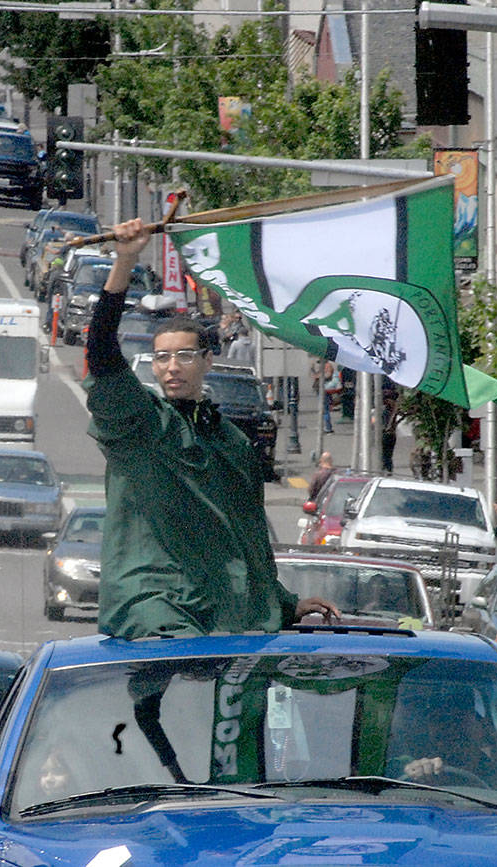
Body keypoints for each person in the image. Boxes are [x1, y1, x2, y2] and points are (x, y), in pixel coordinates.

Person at [83, 217, 339, 639]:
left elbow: (246, 538)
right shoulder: (140, 423)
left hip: (221, 610)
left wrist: (285, 603)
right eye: (161, 357)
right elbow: (102, 355)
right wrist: (125, 262)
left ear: (207, 361)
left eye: (184, 355)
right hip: (153, 603)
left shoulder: (231, 442)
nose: (171, 367)